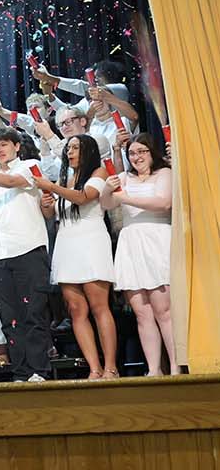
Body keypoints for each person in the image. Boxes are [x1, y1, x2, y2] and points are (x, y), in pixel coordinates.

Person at [0, 127, 53, 382]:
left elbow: (14, 182)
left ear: (16, 146)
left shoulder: (29, 166)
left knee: (34, 312)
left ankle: (39, 369)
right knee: (9, 316)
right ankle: (21, 370)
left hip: (28, 248)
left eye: (4, 145)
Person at [35, 134, 118, 380]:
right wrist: (47, 202)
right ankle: (94, 368)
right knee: (75, 308)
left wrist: (51, 187)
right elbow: (51, 214)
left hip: (91, 239)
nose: (70, 152)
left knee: (99, 305)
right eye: (68, 148)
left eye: (76, 148)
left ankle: (111, 366)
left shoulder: (99, 173)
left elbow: (84, 197)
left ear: (89, 151)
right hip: (67, 241)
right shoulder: (65, 178)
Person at [106, 132, 175, 376]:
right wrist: (108, 189)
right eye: (132, 153)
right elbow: (107, 204)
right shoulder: (124, 177)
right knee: (142, 313)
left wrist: (126, 197)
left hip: (156, 239)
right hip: (131, 242)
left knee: (163, 310)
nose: (137, 157)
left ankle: (176, 367)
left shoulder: (164, 173)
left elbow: (164, 203)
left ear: (151, 152)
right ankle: (154, 369)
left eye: (142, 151)